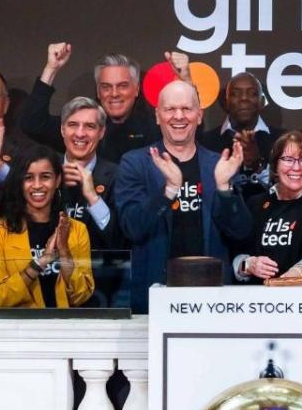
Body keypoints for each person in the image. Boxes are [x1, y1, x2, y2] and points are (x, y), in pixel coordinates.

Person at [114, 79, 250, 313]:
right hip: (153, 300)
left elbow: (240, 232)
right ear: (158, 115)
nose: (179, 116)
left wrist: (224, 188)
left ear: (199, 115)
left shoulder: (219, 165)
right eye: (170, 109)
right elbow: (132, 227)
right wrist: (168, 191)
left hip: (213, 301)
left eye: (187, 109)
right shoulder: (135, 163)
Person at [0, 145, 95, 308]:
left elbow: (82, 295)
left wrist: (64, 253)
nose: (37, 185)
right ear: (20, 183)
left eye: (45, 177)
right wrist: (40, 263)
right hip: (20, 329)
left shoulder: (77, 230)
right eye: (28, 177)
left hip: (64, 329)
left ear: (57, 180)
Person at [18, 46, 174, 163]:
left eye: (122, 86)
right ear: (98, 92)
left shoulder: (155, 129)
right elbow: (32, 124)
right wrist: (51, 69)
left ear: (136, 89)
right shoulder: (83, 128)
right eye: (106, 87)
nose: (114, 93)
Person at [233, 131, 302, 284]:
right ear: (275, 164)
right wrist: (249, 265)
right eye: (288, 159)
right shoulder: (254, 203)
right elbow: (236, 253)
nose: (296, 167)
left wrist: (301, 271)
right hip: (258, 299)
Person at [198, 72, 282, 202]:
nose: (244, 98)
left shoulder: (281, 140)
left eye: (252, 93)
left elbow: (290, 191)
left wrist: (258, 166)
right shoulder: (206, 141)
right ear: (225, 103)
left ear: (262, 102)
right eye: (235, 94)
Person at [55, 96, 122, 250]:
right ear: (62, 129)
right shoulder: (44, 170)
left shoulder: (117, 175)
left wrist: (93, 198)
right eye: (73, 124)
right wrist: (53, 187)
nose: (80, 134)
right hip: (49, 269)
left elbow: (118, 240)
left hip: (98, 270)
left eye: (89, 126)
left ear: (101, 132)